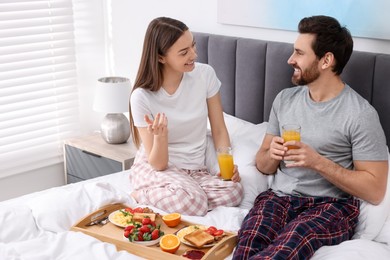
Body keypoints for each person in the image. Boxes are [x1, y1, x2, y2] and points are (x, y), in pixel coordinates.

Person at [233, 15, 388, 259]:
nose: (290, 60)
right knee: (246, 247)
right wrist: (271, 155)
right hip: (278, 199)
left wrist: (317, 162)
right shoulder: (284, 100)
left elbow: (375, 190)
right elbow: (263, 166)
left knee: (285, 250)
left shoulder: (360, 114)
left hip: (330, 207)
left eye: (299, 53)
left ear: (326, 60)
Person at [128, 17, 243, 216]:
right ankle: (141, 195)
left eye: (193, 46)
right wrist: (160, 137)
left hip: (195, 171)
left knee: (234, 192)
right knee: (194, 202)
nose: (194, 55)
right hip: (158, 169)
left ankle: (185, 194)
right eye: (184, 52)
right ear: (161, 57)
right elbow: (158, 164)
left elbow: (218, 128)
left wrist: (228, 164)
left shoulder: (205, 75)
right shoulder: (141, 97)